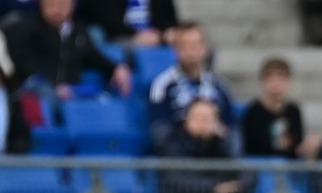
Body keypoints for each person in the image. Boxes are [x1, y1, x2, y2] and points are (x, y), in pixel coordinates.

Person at [4, 0, 132, 122]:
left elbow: (95, 57)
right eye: (52, 4)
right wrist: (55, 87)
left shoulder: (78, 33)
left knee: (102, 100)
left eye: (62, 4)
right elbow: (23, 66)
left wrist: (117, 67)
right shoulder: (24, 29)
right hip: (38, 89)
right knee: (39, 89)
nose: (57, 9)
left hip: (70, 93)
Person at [149, 21, 234, 149]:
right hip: (179, 157)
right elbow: (159, 130)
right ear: (176, 50)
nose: (191, 51)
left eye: (196, 44)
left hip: (215, 154)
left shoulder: (220, 86)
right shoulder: (162, 85)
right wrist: (190, 131)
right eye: (185, 45)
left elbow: (231, 127)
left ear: (205, 48)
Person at [241, 57, 309, 159]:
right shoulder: (254, 111)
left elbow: (296, 143)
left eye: (281, 78)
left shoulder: (293, 111)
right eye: (271, 79)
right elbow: (253, 146)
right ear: (263, 82)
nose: (276, 84)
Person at [75, 0, 178, 46]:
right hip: (120, 38)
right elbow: (107, 20)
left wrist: (167, 32)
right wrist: (136, 35)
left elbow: (170, 20)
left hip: (156, 39)